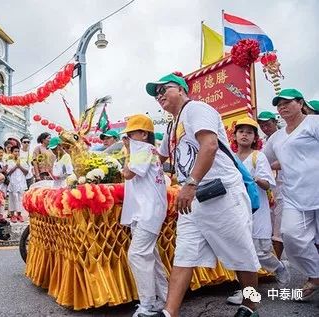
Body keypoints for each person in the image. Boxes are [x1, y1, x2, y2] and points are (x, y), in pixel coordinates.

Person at [147, 73, 260, 317]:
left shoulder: (196, 109)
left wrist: (191, 183)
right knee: (184, 254)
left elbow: (208, 145)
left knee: (242, 254)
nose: (160, 96)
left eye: (164, 89)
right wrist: (133, 152)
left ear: (181, 89)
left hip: (221, 193)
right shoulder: (172, 124)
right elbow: (162, 158)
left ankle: (251, 305)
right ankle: (169, 313)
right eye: (157, 94)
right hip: (194, 199)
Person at [226, 118, 290, 305]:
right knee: (241, 252)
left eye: (249, 132)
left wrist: (251, 178)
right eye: (241, 131)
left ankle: (279, 267)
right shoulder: (231, 157)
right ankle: (246, 293)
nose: (244, 134)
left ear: (255, 137)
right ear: (235, 136)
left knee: (261, 252)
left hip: (257, 209)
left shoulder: (258, 156)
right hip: (236, 210)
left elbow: (268, 183)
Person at [263, 88, 319, 302]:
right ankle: (315, 275)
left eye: (287, 102)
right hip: (295, 196)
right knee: (291, 235)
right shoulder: (276, 138)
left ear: (301, 103)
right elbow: (263, 160)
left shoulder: (314, 124)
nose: (282, 107)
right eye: (279, 104)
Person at [120, 114, 168, 317]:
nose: (128, 138)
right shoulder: (147, 150)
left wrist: (128, 151)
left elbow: (128, 173)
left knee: (137, 255)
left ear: (143, 134)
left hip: (148, 211)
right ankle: (164, 299)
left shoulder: (143, 149)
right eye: (128, 134)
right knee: (151, 256)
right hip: (145, 210)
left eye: (132, 133)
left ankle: (147, 305)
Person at [257, 111, 283, 259]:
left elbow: (287, 160)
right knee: (271, 223)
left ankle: (276, 262)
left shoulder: (284, 137)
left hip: (284, 186)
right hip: (268, 188)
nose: (265, 127)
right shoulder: (262, 141)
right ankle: (271, 263)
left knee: (279, 226)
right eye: (262, 125)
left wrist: (267, 166)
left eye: (267, 124)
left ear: (275, 122)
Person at [6, 146, 28, 223]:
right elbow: (8, 172)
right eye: (15, 151)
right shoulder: (9, 161)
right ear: (12, 152)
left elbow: (26, 172)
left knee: (20, 199)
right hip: (13, 182)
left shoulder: (22, 161)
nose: (17, 153)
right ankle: (12, 215)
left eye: (18, 151)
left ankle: (19, 214)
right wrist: (16, 166)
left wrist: (20, 166)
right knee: (12, 199)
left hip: (21, 182)